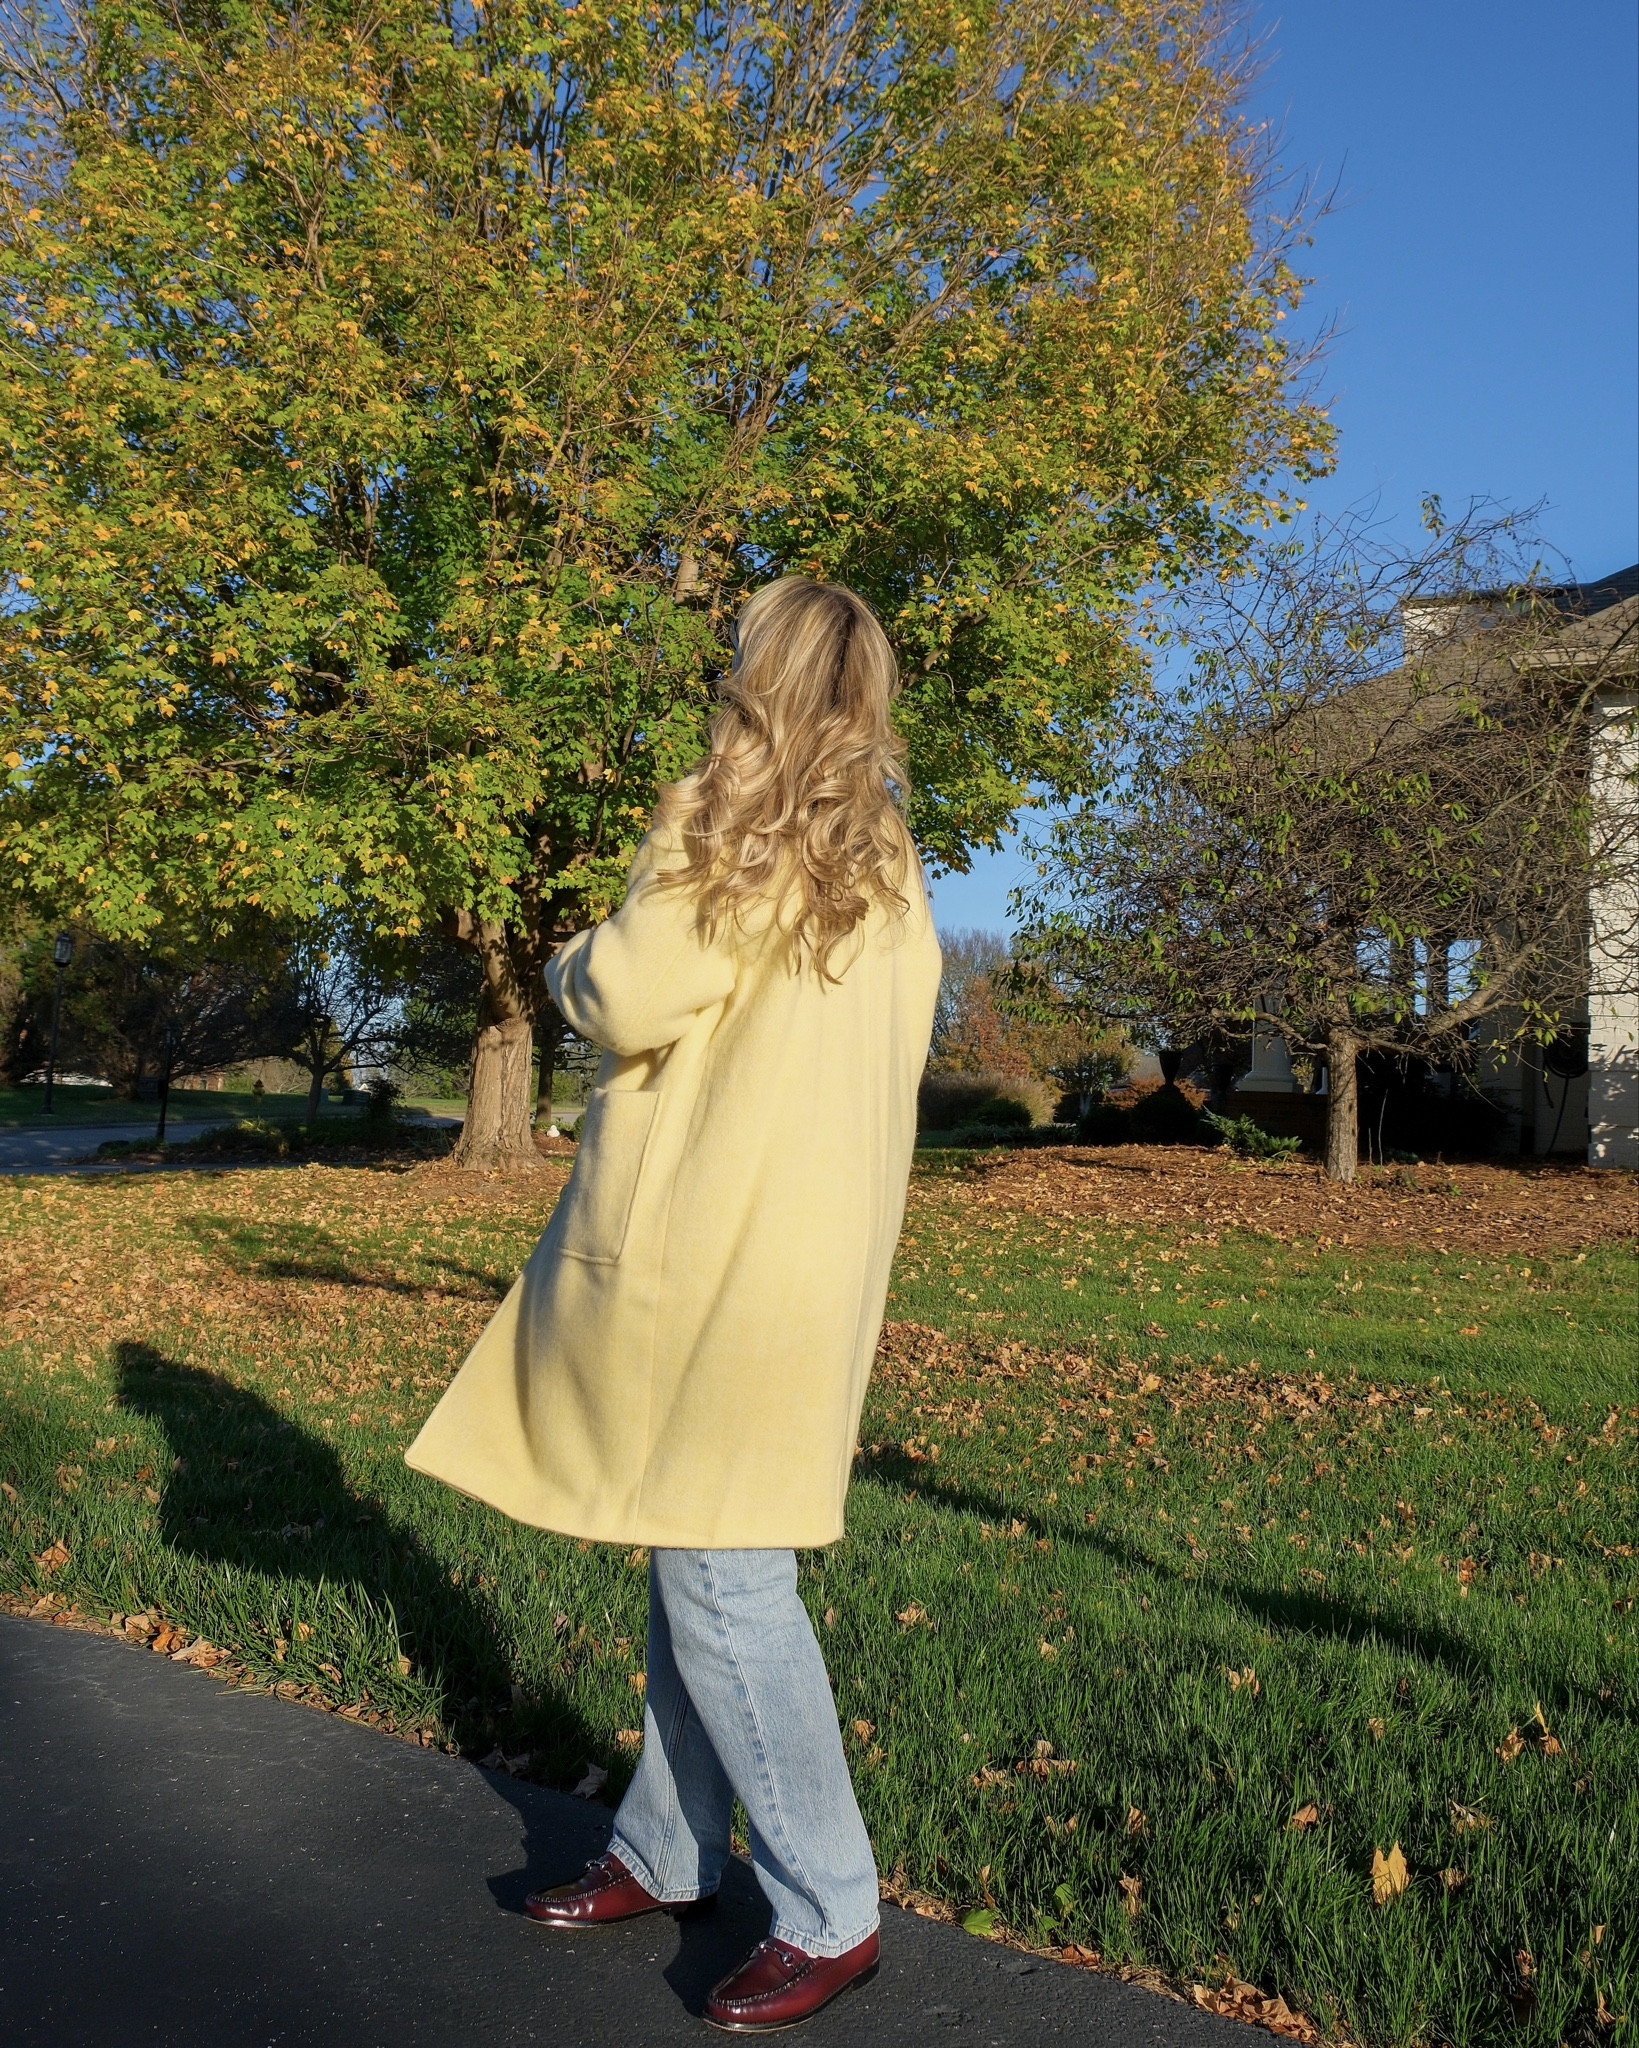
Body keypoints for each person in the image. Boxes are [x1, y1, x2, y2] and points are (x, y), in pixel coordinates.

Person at [406, 576, 941, 2032]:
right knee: (694, 1540)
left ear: (758, 678)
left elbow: (624, 997)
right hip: (813, 1260)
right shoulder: (883, 858)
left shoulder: (726, 824)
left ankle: (831, 1909)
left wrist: (568, 955)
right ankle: (666, 1844)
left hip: (713, 1259)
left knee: (720, 1571)